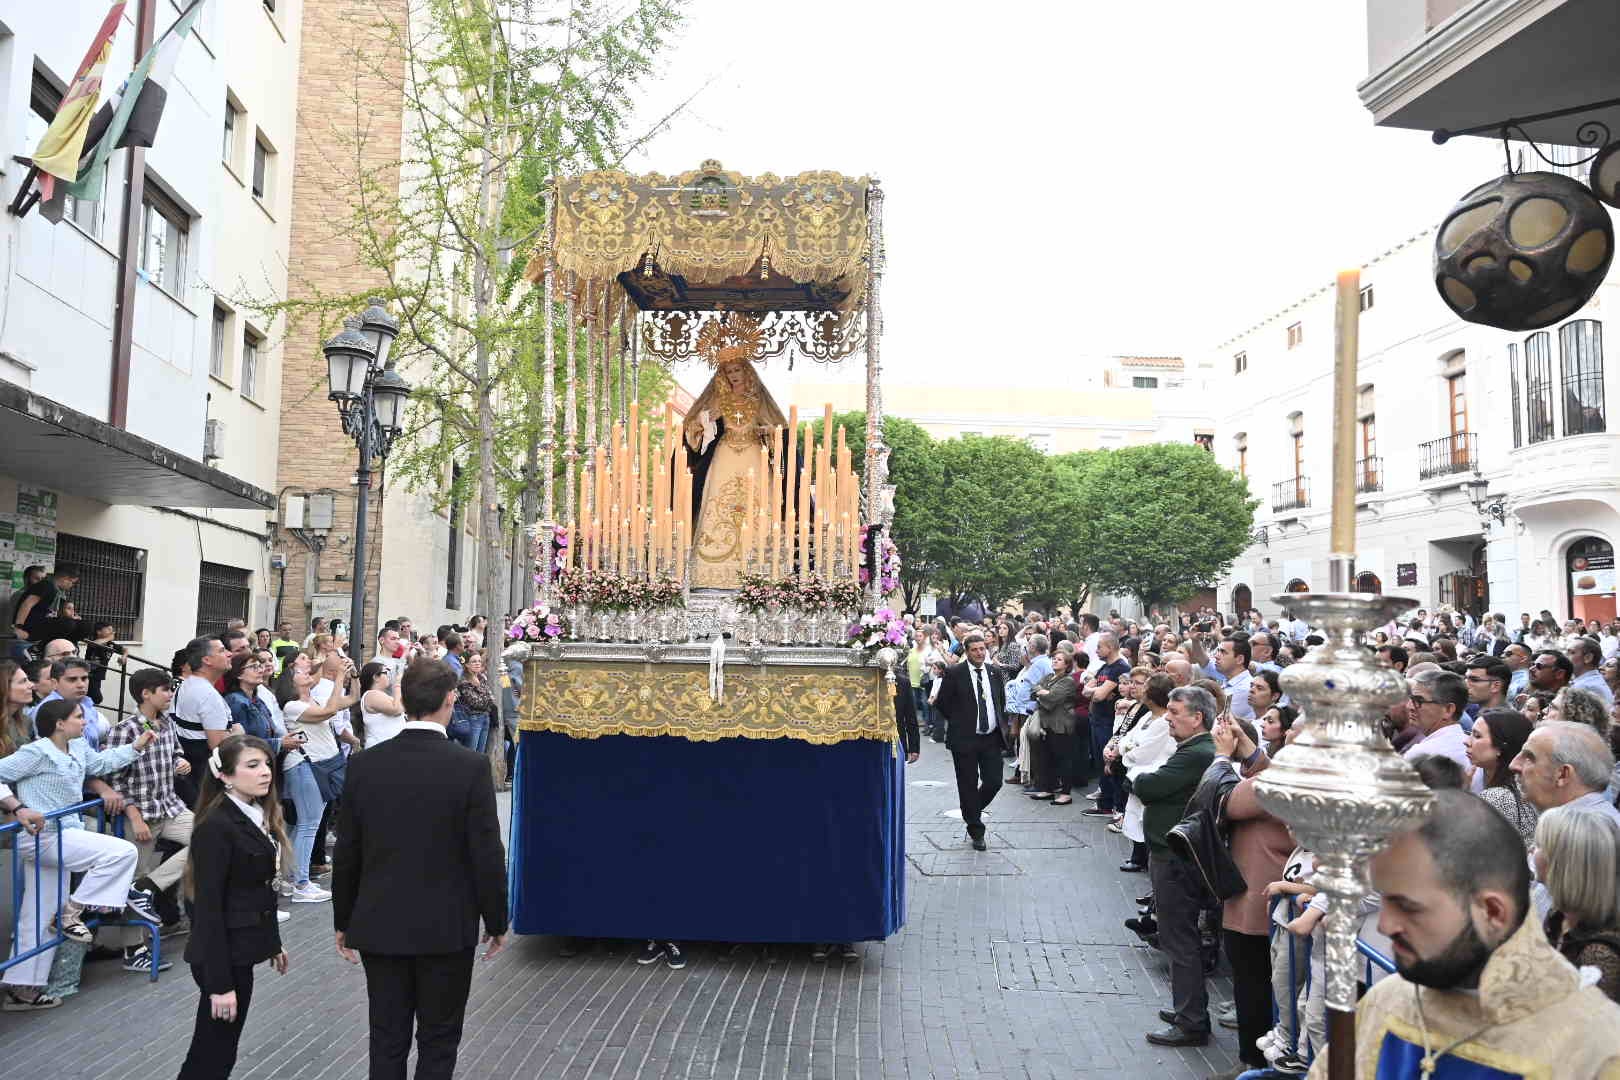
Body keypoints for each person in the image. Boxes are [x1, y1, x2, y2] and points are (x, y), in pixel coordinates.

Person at [1320, 790, 1620, 1079]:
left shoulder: (1596, 1048)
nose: (1385, 926)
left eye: (1408, 908)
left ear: (1492, 912)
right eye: (1384, 899)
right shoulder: (1385, 1001)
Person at [332, 658, 508, 1080]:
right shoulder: (468, 767)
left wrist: (344, 919)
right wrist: (497, 919)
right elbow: (485, 852)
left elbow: (348, 851)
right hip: (446, 927)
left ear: (404, 701)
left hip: (380, 921)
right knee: (440, 1038)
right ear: (450, 700)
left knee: (386, 1038)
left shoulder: (365, 765)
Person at [0, 698, 159, 1009]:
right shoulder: (36, 751)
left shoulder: (79, 749)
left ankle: (22, 989)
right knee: (122, 853)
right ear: (60, 724)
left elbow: (102, 763)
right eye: (78, 717)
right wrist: (18, 808)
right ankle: (72, 913)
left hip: (63, 836)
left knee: (37, 915)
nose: (84, 722)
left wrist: (137, 745)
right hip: (44, 837)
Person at [176, 735, 291, 1078]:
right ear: (225, 775)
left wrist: (271, 942)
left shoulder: (254, 813)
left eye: (267, 764)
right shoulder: (217, 824)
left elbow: (256, 890)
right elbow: (206, 909)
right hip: (221, 959)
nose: (265, 772)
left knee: (219, 1051)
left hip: (239, 950)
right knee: (211, 1055)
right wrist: (220, 985)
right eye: (252, 766)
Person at [1134, 685, 1218, 1047]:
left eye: (1174, 712)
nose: (1167, 717)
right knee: (1177, 936)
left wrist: (1139, 779)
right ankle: (1189, 1008)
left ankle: (1191, 1020)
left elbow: (1150, 786)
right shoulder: (1192, 749)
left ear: (1197, 717)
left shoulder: (1197, 752)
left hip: (1175, 858)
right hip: (1169, 852)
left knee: (1178, 938)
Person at [102, 667, 196, 968]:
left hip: (170, 806)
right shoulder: (123, 730)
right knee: (133, 876)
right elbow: (113, 779)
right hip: (139, 814)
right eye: (165, 690)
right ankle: (135, 950)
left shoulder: (168, 723)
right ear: (146, 694)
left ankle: (150, 887)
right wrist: (134, 815)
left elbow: (175, 751)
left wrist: (180, 761)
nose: (170, 694)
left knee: (209, 837)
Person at [274, 654, 356, 901]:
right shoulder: (292, 706)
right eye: (299, 673)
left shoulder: (314, 701)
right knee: (308, 824)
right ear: (291, 683)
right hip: (303, 766)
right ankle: (300, 883)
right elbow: (330, 710)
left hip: (315, 766)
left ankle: (291, 879)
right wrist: (340, 675)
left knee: (304, 825)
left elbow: (351, 699)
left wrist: (354, 675)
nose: (306, 673)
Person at [1534, 805, 1620, 1004]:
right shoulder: (1559, 916)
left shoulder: (1600, 955)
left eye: (1539, 845)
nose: (1532, 849)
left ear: (1563, 864)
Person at [931, 632, 1008, 851]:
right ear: (967, 651)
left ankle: (970, 810)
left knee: (994, 781)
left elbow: (999, 700)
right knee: (967, 783)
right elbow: (942, 703)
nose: (979, 653)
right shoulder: (955, 673)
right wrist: (959, 721)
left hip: (991, 737)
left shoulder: (994, 672)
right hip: (964, 739)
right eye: (974, 650)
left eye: (982, 649)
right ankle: (976, 830)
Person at [173, 636, 234, 803]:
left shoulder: (185, 685)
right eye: (222, 650)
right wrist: (236, 733)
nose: (229, 654)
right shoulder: (207, 695)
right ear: (207, 660)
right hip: (204, 780)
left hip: (191, 777)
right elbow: (218, 746)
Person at [1464, 706, 1538, 841]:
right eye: (1470, 733)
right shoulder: (1521, 785)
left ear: (1500, 747)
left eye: (1477, 736)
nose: (1467, 742)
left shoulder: (1498, 798)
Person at [1081, 632, 1131, 819]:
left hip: (1109, 721)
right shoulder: (1104, 667)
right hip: (1097, 718)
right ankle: (1105, 798)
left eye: (1100, 646)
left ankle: (1109, 804)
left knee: (1108, 760)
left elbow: (1099, 695)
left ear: (1110, 647)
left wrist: (1096, 691)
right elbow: (1088, 690)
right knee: (1099, 759)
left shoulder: (1120, 668)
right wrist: (1095, 689)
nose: (1096, 650)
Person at [1026, 650, 1078, 804]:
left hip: (1060, 725)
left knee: (1063, 759)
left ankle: (1065, 793)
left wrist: (1043, 694)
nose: (1055, 661)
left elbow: (1052, 698)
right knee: (1046, 758)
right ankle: (1047, 789)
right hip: (1045, 723)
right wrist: (1043, 693)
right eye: (1054, 658)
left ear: (1067, 664)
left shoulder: (1067, 680)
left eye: (1059, 659)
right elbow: (1033, 689)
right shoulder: (1049, 677)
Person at [1401, 669, 1471, 770]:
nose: (1409, 707)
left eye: (1418, 701)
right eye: (1410, 699)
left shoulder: (1422, 754)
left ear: (1448, 710)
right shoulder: (1472, 747)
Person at [9, 564, 94, 646]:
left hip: (41, 622)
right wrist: (18, 627)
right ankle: (39, 647)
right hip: (29, 624)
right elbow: (27, 604)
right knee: (68, 624)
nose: (72, 586)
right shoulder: (46, 585)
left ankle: (67, 647)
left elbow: (54, 613)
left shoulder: (57, 591)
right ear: (65, 578)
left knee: (86, 626)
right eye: (72, 582)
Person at [450, 652, 495, 753]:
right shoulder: (463, 680)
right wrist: (486, 699)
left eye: (479, 661)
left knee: (480, 752)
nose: (478, 663)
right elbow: (475, 702)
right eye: (474, 661)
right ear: (466, 664)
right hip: (472, 719)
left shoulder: (481, 677)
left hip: (485, 717)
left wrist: (486, 699)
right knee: (471, 752)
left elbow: (491, 698)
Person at [359, 661, 407, 747]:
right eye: (386, 672)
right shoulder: (371, 695)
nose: (389, 675)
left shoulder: (381, 695)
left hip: (389, 747)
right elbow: (396, 710)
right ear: (375, 677)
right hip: (380, 748)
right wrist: (398, 685)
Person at [1570, 636, 1616, 708]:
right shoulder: (1586, 682)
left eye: (1572, 652)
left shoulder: (1586, 687)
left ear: (1588, 658)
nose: (1566, 656)